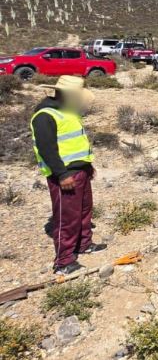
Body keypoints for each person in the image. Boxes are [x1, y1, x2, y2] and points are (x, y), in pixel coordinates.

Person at [30, 76, 105, 275]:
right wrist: (62, 174)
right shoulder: (45, 116)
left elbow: (75, 142)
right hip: (65, 175)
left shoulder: (67, 112)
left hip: (80, 171)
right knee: (67, 217)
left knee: (84, 211)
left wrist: (88, 166)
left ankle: (84, 244)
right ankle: (63, 261)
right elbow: (47, 149)